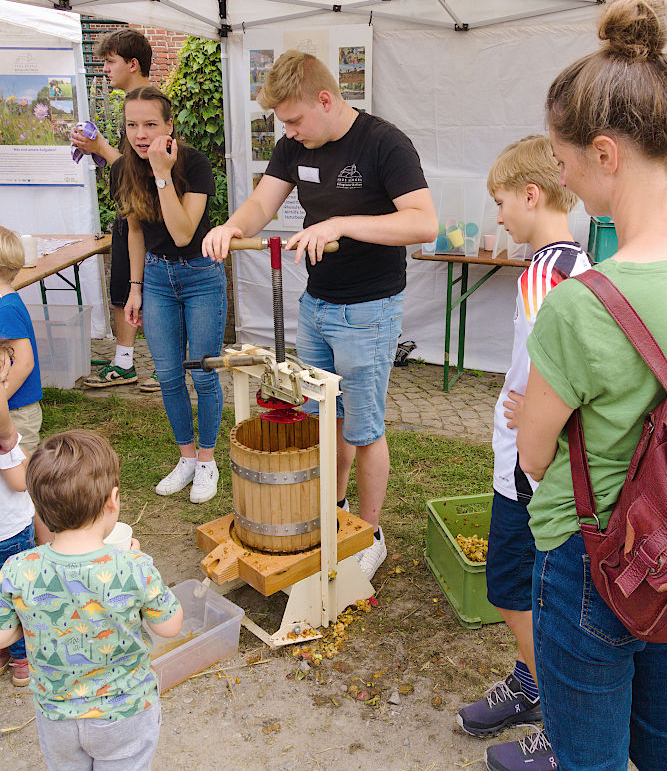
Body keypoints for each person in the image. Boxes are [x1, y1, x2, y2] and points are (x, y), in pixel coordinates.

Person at [516, 0, 667, 770]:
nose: (562, 174)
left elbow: (534, 453)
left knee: (591, 760)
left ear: (606, 154)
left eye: (564, 158)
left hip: (596, 558)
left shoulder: (583, 305)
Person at [202, 51, 437, 580]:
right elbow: (260, 205)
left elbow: (424, 224)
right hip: (316, 307)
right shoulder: (293, 147)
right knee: (317, 417)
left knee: (364, 427)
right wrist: (231, 227)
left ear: (325, 100)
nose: (288, 132)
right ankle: (324, 512)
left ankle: (369, 532)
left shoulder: (384, 143)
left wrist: (342, 224)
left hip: (370, 311)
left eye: (293, 120)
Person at [456, 136, 588, 771]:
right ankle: (533, 686)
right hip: (542, 464)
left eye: (501, 201)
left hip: (526, 469)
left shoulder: (544, 271)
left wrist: (535, 411)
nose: (499, 216)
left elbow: (549, 357)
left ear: (532, 196)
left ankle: (562, 726)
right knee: (537, 589)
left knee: (512, 592)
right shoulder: (582, 263)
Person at [0, 429, 183, 769]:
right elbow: (171, 626)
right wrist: (140, 570)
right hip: (125, 715)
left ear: (36, 506)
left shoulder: (17, 570)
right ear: (112, 500)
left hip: (57, 717)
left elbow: (3, 635)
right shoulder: (132, 566)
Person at [119, 86, 226, 504]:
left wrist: (162, 174)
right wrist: (135, 287)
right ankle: (185, 457)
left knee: (202, 371)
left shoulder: (194, 164)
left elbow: (183, 233)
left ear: (168, 126)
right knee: (167, 375)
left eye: (150, 124)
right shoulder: (124, 169)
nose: (140, 134)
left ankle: (207, 460)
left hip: (200, 273)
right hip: (158, 279)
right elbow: (134, 232)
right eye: (132, 125)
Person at [75, 29, 160, 393]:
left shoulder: (152, 105)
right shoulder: (134, 103)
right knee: (122, 289)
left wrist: (102, 147)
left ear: (132, 63)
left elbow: (144, 168)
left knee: (153, 292)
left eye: (110, 62)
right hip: (131, 215)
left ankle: (161, 366)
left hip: (151, 219)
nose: (104, 69)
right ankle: (125, 362)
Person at [0, 339, 35, 687]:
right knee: (19, 594)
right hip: (9, 532)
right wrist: (24, 457)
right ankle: (23, 660)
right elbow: (18, 483)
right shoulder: (4, 438)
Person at [0, 226, 43, 454]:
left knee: (19, 473)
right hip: (9, 407)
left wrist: (1, 397)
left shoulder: (5, 309)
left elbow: (24, 362)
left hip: (17, 410)